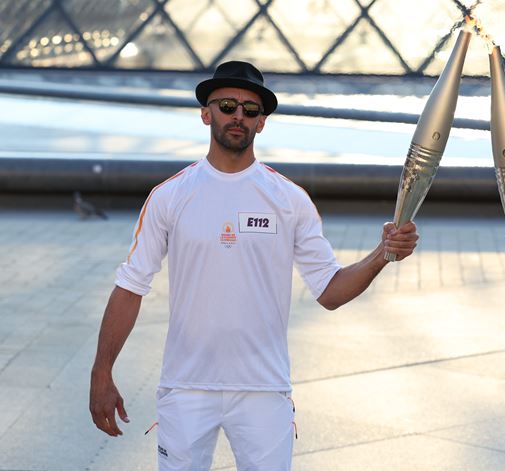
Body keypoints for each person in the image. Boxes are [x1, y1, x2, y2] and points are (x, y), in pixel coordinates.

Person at [88, 60, 419, 470]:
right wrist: (101, 372)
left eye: (250, 109)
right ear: (206, 113)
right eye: (227, 105)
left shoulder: (289, 199)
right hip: (186, 388)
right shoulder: (169, 197)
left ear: (262, 122)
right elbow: (131, 286)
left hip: (264, 391)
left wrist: (382, 254)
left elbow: (330, 291)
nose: (238, 116)